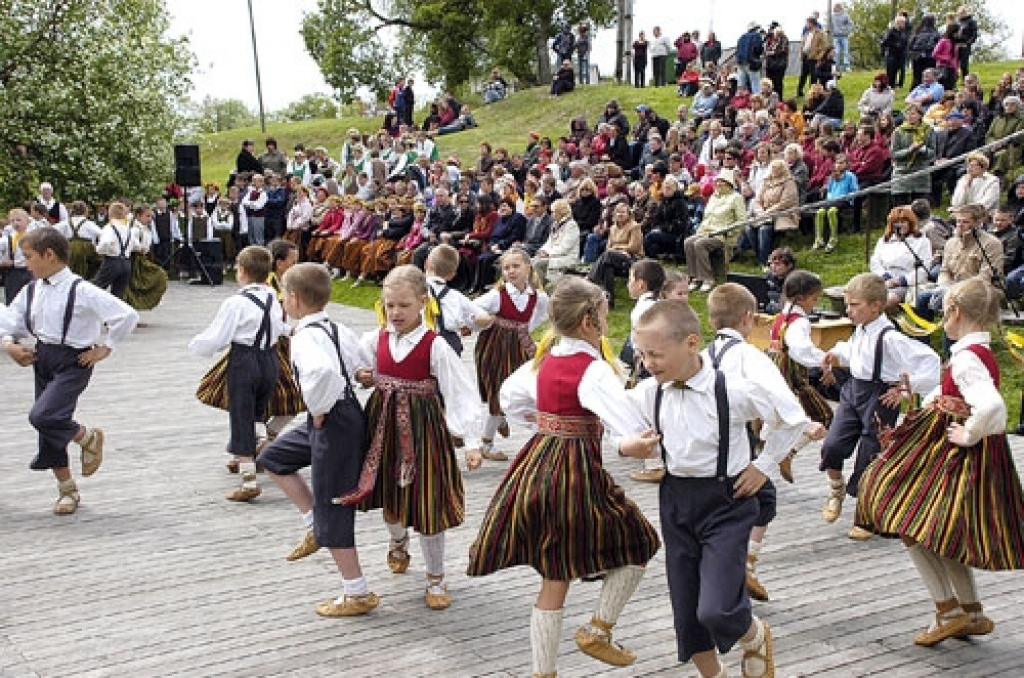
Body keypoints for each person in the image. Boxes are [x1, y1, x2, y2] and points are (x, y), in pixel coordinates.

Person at [467, 277, 661, 678]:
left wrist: (543, 421)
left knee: (555, 577)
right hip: (575, 474)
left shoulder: (546, 358)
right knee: (640, 542)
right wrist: (637, 446)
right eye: (605, 314)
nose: (608, 321)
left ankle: (544, 673)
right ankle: (598, 629)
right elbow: (626, 429)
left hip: (537, 464)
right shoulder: (594, 370)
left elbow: (509, 396)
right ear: (590, 321)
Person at [630, 300, 812, 678]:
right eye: (644, 354)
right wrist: (625, 446)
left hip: (727, 501)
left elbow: (792, 418)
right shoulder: (651, 392)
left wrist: (763, 466)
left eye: (657, 354)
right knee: (687, 609)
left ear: (692, 343)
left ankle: (755, 635)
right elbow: (617, 422)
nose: (648, 363)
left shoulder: (732, 389)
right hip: (676, 501)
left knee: (716, 608)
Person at [857, 278, 1024, 644]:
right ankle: (971, 610)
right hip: (954, 451)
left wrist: (970, 432)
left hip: (954, 454)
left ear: (955, 312)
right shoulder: (974, 352)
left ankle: (948, 608)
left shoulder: (966, 358)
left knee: (905, 515)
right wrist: (929, 399)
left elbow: (993, 405)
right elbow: (952, 391)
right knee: (942, 530)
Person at [349, 265, 483, 610]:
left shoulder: (434, 345)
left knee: (428, 501)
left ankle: (436, 578)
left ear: (423, 303)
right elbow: (351, 362)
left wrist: (471, 441)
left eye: (403, 306)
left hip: (423, 431)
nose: (395, 313)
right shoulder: (375, 339)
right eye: (389, 305)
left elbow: (461, 391)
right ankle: (397, 542)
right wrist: (362, 374)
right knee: (390, 494)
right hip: (383, 426)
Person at [252, 263, 378, 618]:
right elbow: (359, 364)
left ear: (293, 298)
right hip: (341, 413)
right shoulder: (335, 327)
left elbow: (322, 373)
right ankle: (313, 526)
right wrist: (354, 377)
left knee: (333, 501)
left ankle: (357, 592)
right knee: (275, 457)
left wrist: (319, 407)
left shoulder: (306, 337)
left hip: (333, 418)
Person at [0, 228, 138, 514]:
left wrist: (105, 347)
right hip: (43, 356)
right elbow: (11, 321)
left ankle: (87, 437)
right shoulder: (32, 289)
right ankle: (67, 490)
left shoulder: (82, 290)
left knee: (44, 415)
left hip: (74, 361)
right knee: (47, 426)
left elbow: (126, 315)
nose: (25, 264)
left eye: (29, 257)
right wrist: (9, 345)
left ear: (49, 255)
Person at [706, 283, 826, 601]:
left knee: (750, 503)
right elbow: (789, 413)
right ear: (748, 318)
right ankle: (741, 569)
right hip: (734, 448)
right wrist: (768, 460)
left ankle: (740, 568)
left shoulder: (702, 354)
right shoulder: (749, 356)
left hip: (703, 452)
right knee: (759, 499)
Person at [819, 273, 940, 539]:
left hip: (879, 396)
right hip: (854, 392)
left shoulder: (890, 338)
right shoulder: (861, 329)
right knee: (832, 445)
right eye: (847, 305)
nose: (848, 311)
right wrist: (835, 354)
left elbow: (930, 360)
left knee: (871, 455)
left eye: (854, 305)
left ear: (876, 306)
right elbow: (852, 350)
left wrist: (907, 389)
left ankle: (867, 515)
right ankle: (836, 489)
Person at [189, 246, 287, 502]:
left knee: (241, 415)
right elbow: (282, 328)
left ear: (241, 271)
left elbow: (218, 338)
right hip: (270, 359)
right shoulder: (273, 298)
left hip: (244, 360)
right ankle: (263, 449)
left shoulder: (235, 303)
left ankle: (248, 479)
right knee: (257, 412)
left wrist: (196, 345)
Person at [473, 249, 550, 460]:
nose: (511, 271)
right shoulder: (498, 295)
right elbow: (473, 309)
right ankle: (486, 444)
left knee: (522, 389)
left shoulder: (538, 296)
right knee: (498, 392)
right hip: (495, 348)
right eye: (507, 268)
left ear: (528, 267)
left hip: (520, 348)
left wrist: (524, 328)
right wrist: (486, 321)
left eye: (516, 266)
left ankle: (503, 418)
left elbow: (542, 314)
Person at [766, 271, 835, 483]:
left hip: (776, 373)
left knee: (777, 418)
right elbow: (800, 349)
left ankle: (769, 455)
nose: (814, 304)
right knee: (823, 416)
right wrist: (824, 360)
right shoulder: (799, 322)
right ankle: (788, 453)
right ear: (802, 298)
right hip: (792, 377)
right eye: (814, 299)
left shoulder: (783, 315)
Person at [914, 204, 1003, 324]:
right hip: (952, 288)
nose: (960, 225)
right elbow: (944, 271)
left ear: (977, 223)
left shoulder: (992, 244)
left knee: (955, 303)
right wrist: (944, 287)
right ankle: (922, 340)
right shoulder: (951, 243)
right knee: (922, 298)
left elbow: (985, 278)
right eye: (958, 221)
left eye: (965, 222)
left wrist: (954, 291)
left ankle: (952, 340)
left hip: (982, 291)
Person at [623, 259, 665, 481]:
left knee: (647, 410)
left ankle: (654, 462)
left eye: (630, 279)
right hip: (657, 362)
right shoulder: (658, 304)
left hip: (650, 364)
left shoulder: (643, 308)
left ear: (641, 284)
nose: (628, 284)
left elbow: (643, 340)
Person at [684, 169, 746, 293]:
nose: (718, 184)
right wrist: (700, 231)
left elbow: (741, 220)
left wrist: (730, 233)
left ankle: (707, 278)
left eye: (722, 181)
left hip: (722, 235)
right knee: (688, 242)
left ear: (728, 183)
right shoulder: (713, 197)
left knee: (700, 244)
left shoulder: (736, 198)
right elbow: (706, 218)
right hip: (706, 231)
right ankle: (694, 277)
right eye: (717, 181)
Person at [425, 244, 492, 356]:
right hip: (447, 352)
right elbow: (484, 318)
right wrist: (469, 322)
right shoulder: (456, 297)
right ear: (452, 275)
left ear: (426, 264)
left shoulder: (413, 290)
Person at [869, 206, 933, 312]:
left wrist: (900, 281)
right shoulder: (884, 241)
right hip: (883, 280)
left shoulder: (921, 242)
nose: (899, 225)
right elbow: (875, 262)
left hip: (907, 284)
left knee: (887, 301)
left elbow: (923, 270)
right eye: (896, 222)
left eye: (903, 222)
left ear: (910, 223)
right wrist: (884, 276)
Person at [748, 159, 798, 267]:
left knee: (764, 230)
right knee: (749, 228)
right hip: (763, 214)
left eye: (778, 168)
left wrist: (768, 212)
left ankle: (765, 261)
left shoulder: (789, 182)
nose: (775, 170)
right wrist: (760, 211)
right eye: (773, 168)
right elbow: (757, 200)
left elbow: (786, 202)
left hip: (781, 215)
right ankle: (761, 257)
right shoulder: (766, 181)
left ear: (783, 169)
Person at [125, 205, 168, 314]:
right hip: (135, 259)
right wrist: (140, 248)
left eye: (151, 216)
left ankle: (135, 311)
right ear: (138, 216)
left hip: (142, 258)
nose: (150, 219)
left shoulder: (145, 228)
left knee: (157, 276)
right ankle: (130, 312)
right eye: (147, 216)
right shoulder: (135, 229)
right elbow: (131, 243)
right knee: (133, 287)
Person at [890, 104, 936, 205]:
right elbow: (893, 154)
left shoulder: (928, 130)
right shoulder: (898, 131)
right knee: (900, 208)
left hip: (921, 173)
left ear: (920, 115)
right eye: (908, 114)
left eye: (913, 114)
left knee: (920, 208)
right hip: (901, 173)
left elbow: (933, 152)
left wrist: (921, 150)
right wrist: (909, 150)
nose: (910, 116)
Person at [813, 154, 859, 254]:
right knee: (820, 212)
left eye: (842, 163)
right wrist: (828, 196)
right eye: (837, 163)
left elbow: (855, 190)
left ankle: (833, 237)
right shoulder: (832, 176)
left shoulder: (851, 176)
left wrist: (847, 197)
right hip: (832, 200)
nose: (839, 165)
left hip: (844, 201)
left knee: (831, 211)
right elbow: (829, 191)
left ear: (847, 164)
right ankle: (819, 238)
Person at [92, 201, 137, 300]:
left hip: (112, 261)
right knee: (118, 294)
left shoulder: (110, 227)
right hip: (126, 263)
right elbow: (136, 245)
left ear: (111, 213)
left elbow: (105, 243)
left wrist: (99, 250)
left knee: (97, 288)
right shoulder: (130, 229)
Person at [533, 199, 579, 286]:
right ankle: (532, 289)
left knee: (539, 264)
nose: (551, 214)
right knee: (532, 260)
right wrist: (542, 251)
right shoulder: (555, 224)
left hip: (567, 257)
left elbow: (565, 247)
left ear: (560, 212)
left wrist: (548, 254)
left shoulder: (571, 225)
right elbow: (549, 242)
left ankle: (540, 290)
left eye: (553, 212)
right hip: (554, 255)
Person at [57, 201, 102, 281]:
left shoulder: (66, 222)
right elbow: (101, 234)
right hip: (86, 250)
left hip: (70, 248)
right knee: (87, 271)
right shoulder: (89, 223)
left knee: (70, 270)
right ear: (85, 211)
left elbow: (53, 230)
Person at [1, 208, 36, 303]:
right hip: (12, 274)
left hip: (29, 272)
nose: (16, 223)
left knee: (29, 298)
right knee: (12, 299)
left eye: (19, 220)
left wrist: (13, 263)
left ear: (27, 221)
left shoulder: (32, 237)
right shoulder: (10, 237)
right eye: (12, 221)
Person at [797, 17, 828, 98]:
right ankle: (799, 92)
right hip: (805, 56)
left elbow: (824, 47)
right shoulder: (806, 33)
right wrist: (800, 53)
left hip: (814, 58)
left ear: (811, 23)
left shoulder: (821, 33)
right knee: (803, 75)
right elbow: (802, 44)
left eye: (807, 23)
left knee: (813, 76)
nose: (806, 25)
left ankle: (812, 93)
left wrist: (819, 57)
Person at [908, 14, 941, 90]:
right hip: (929, 57)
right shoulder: (935, 33)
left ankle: (914, 93)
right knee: (930, 76)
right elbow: (937, 46)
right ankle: (928, 91)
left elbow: (910, 46)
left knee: (916, 77)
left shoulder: (916, 33)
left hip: (916, 57)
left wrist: (912, 54)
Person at [881, 16, 910, 89]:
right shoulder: (891, 32)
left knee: (898, 70)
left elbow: (905, 42)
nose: (904, 24)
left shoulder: (903, 33)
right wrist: (894, 45)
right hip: (891, 54)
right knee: (891, 72)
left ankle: (895, 85)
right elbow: (884, 43)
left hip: (901, 55)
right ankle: (890, 86)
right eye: (902, 22)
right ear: (898, 23)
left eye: (904, 23)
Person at [734, 23, 764, 95]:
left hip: (740, 63)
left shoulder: (742, 37)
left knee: (741, 85)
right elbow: (758, 49)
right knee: (755, 84)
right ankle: (757, 102)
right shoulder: (756, 36)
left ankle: (739, 102)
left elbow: (737, 50)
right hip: (751, 62)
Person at [764, 26, 790, 98]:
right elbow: (766, 50)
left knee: (778, 82)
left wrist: (770, 53)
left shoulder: (784, 39)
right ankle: (770, 98)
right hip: (770, 65)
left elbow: (781, 50)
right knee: (770, 82)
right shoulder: (770, 40)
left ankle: (779, 98)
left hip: (779, 65)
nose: (774, 34)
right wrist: (768, 52)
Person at [831, 3, 854, 72]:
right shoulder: (832, 16)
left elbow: (851, 24)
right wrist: (832, 32)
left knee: (846, 52)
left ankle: (847, 66)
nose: (836, 8)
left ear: (840, 8)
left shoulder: (845, 15)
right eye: (835, 7)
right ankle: (836, 67)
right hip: (835, 37)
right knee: (836, 52)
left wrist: (847, 31)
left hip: (844, 36)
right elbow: (830, 25)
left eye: (837, 7)